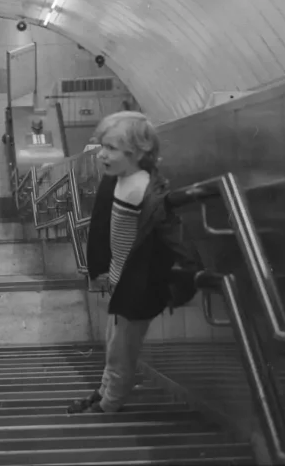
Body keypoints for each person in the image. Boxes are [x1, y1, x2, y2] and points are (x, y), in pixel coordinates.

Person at [67, 111, 202, 415]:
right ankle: (103, 393)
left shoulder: (146, 190)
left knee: (122, 350)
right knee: (113, 341)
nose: (102, 154)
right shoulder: (115, 180)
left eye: (111, 149)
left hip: (138, 286)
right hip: (119, 281)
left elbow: (173, 239)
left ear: (139, 152)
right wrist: (99, 269)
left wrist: (183, 281)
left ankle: (109, 404)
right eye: (102, 146)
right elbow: (103, 225)